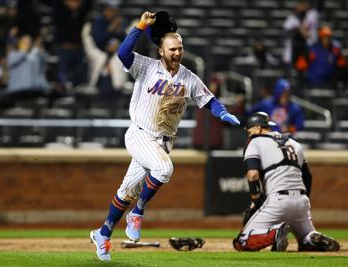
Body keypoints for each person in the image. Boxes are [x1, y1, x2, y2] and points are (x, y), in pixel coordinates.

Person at [90, 11, 240, 262]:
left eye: (180, 48)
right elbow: (123, 54)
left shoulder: (188, 78)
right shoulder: (146, 67)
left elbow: (209, 100)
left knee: (126, 191)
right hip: (139, 134)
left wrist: (222, 113)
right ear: (161, 51)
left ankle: (103, 233)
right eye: (172, 49)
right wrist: (139, 27)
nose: (177, 52)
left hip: (163, 142)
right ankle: (138, 212)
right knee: (163, 170)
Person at [232, 112, 340, 252]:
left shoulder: (255, 141)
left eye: (250, 130)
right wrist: (304, 199)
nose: (249, 134)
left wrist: (256, 201)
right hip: (301, 202)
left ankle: (276, 233)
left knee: (242, 241)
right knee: (305, 240)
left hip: (278, 200)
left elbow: (252, 175)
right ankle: (312, 238)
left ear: (258, 128)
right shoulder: (294, 143)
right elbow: (308, 176)